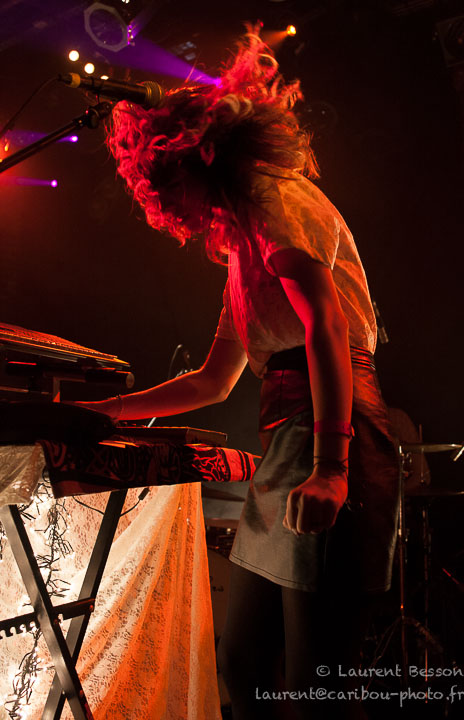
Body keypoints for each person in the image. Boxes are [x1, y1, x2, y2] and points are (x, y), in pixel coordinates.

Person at [76, 28, 399, 720]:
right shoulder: (243, 252)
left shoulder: (275, 199)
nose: (174, 210)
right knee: (245, 666)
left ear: (198, 158)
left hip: (332, 430)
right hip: (288, 445)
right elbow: (211, 381)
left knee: (316, 686)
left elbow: (327, 327)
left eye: (171, 189)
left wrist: (332, 468)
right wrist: (104, 413)